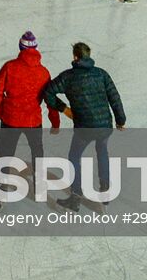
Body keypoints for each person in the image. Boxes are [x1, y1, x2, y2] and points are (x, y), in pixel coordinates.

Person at [42, 42, 127, 210]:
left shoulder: (68, 77)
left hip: (84, 128)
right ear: (88, 55)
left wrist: (64, 109)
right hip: (104, 126)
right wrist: (120, 120)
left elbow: (48, 92)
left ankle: (76, 196)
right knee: (102, 151)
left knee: (74, 157)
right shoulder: (101, 74)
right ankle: (105, 191)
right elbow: (114, 97)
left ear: (75, 56)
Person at [0, 31, 60, 207]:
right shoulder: (43, 72)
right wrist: (55, 121)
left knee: (5, 155)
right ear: (35, 49)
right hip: (33, 121)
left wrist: (3, 113)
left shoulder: (9, 67)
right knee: (38, 153)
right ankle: (40, 189)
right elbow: (51, 99)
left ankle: (1, 195)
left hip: (11, 120)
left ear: (20, 47)